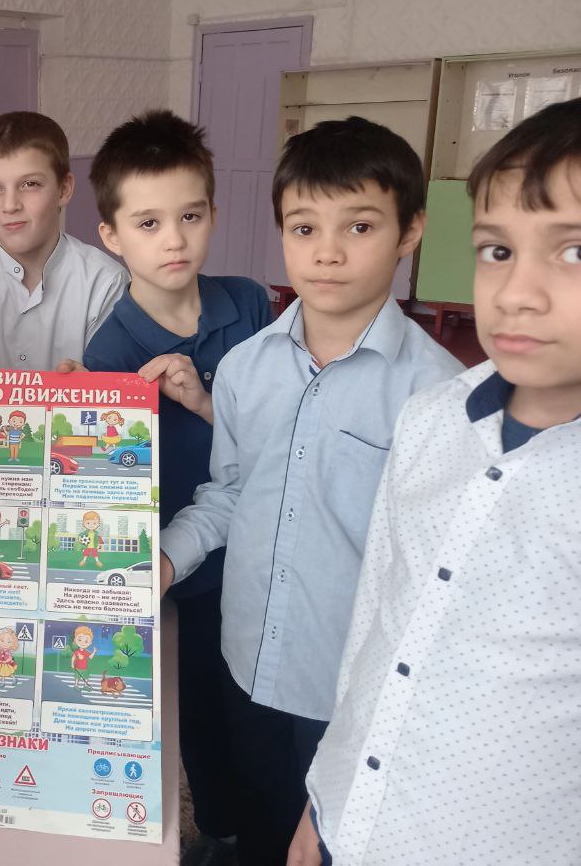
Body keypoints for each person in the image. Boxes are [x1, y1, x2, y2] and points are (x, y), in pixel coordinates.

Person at [158, 117, 463, 866]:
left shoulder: (438, 395)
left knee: (334, 843)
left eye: (359, 225)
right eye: (304, 228)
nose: (327, 251)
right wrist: (164, 559)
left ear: (410, 230)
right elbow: (229, 493)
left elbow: (435, 573)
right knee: (264, 821)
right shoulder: (246, 367)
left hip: (347, 689)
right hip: (247, 656)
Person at [290, 98, 581, 866]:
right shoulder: (431, 418)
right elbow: (377, 625)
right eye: (497, 250)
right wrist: (324, 799)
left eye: (575, 251)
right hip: (351, 824)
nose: (516, 292)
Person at [83, 109, 274, 866]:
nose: (174, 239)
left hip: (261, 549)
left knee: (260, 705)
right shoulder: (110, 350)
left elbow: (279, 431)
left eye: (190, 216)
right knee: (198, 710)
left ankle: (269, 829)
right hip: (178, 568)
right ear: (111, 235)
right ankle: (220, 831)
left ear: (213, 215)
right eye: (149, 222)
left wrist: (203, 399)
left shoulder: (251, 304)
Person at [0, 111, 127, 371]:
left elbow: (106, 386)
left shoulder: (106, 281)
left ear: (64, 189)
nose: (10, 205)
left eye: (30, 184)